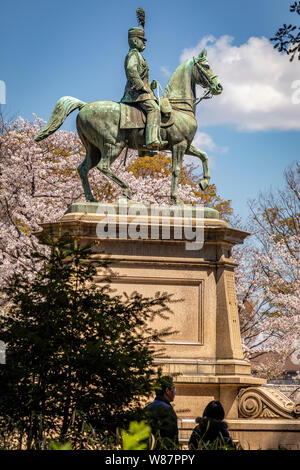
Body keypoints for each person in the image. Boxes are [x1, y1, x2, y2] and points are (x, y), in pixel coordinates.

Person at [120, 10, 168, 150]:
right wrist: (142, 86)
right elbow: (131, 70)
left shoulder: (138, 55)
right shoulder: (134, 54)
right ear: (135, 41)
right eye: (142, 41)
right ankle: (152, 140)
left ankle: (143, 147)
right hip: (136, 94)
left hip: (142, 92)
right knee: (154, 110)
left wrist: (150, 86)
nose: (145, 44)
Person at [144, 376, 179, 449]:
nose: (175, 392)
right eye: (173, 388)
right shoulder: (167, 410)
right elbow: (171, 440)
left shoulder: (146, 408)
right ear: (167, 390)